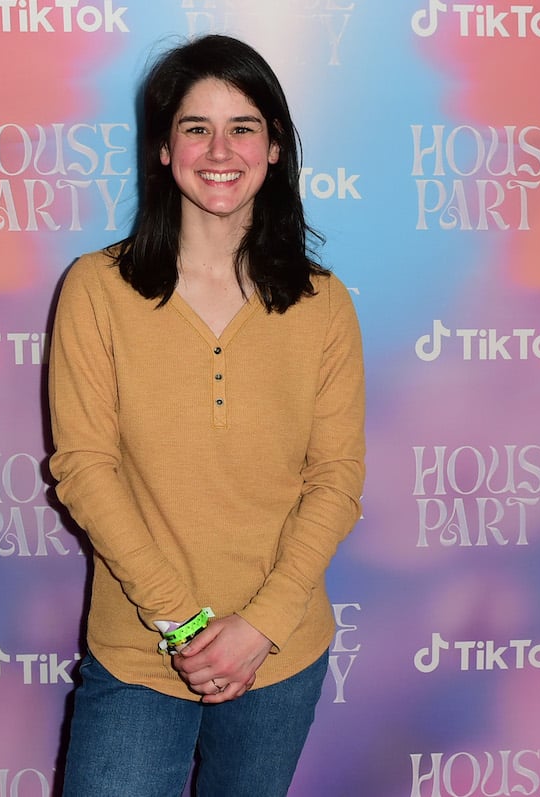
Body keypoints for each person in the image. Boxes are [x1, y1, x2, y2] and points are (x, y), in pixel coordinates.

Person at [48, 33, 365, 797]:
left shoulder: (325, 303)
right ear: (163, 148)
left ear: (276, 147)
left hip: (279, 649)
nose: (220, 149)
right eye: (196, 127)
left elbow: (337, 478)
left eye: (243, 126)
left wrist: (258, 625)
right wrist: (185, 625)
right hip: (140, 650)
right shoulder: (97, 288)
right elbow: (85, 470)